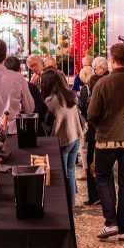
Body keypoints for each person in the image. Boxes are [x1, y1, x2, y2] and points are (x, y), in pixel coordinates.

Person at [86, 43, 124, 240]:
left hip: (106, 140)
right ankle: (123, 228)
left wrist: (101, 125)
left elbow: (92, 114)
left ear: (112, 59)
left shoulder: (102, 84)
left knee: (103, 177)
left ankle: (110, 222)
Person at [39, 69, 84, 210]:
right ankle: (71, 205)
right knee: (70, 173)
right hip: (75, 136)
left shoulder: (51, 101)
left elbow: (45, 122)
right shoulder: (69, 95)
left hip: (63, 140)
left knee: (62, 175)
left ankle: (65, 207)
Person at [78, 57, 108, 206]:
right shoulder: (109, 83)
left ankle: (94, 196)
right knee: (105, 168)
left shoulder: (91, 86)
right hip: (107, 132)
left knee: (92, 163)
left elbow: (86, 110)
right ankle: (105, 197)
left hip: (93, 131)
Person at [6, 56, 48, 132]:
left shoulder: (43, 78)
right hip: (30, 126)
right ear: (20, 69)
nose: (33, 68)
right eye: (31, 66)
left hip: (6, 127)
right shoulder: (30, 85)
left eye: (35, 64)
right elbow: (37, 110)